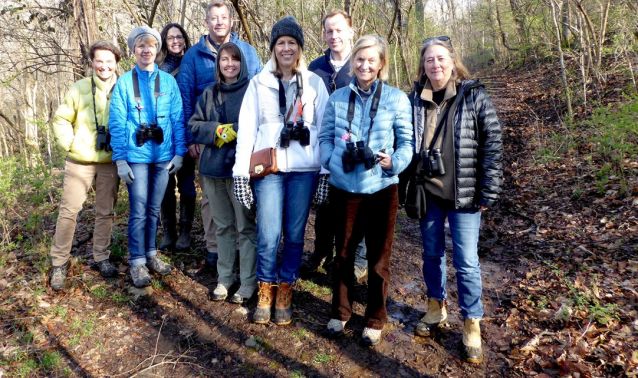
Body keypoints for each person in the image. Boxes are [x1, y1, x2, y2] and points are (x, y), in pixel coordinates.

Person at [408, 36, 502, 363]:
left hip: (464, 193)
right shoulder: (415, 99)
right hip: (429, 192)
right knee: (431, 254)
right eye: (430, 60)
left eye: (441, 59)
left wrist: (488, 188)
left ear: (452, 61)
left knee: (466, 261)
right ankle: (435, 307)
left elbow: (492, 143)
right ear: (423, 65)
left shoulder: (473, 95)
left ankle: (471, 321)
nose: (435, 65)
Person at [233, 16, 329, 325]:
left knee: (295, 233)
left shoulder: (314, 83)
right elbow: (247, 129)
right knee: (268, 232)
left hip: (304, 168)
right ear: (273, 48)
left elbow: (326, 128)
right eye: (280, 43)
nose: (286, 48)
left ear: (300, 47)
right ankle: (265, 286)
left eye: (292, 43)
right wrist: (240, 173)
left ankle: (286, 286)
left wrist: (325, 172)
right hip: (269, 168)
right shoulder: (258, 83)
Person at [318, 35, 413, 346]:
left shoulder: (397, 99)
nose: (364, 65)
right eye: (359, 59)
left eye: (371, 60)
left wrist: (392, 162)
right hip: (344, 186)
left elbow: (407, 144)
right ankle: (340, 310)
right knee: (343, 253)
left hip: (382, 187)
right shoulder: (337, 98)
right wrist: (334, 160)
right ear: (352, 61)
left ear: (381, 63)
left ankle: (375, 316)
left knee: (378, 257)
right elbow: (324, 139)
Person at [177, 0, 261, 266]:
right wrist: (192, 138)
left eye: (223, 17)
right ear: (207, 22)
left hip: (243, 142)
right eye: (213, 18)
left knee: (243, 194)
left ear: (231, 20)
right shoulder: (193, 56)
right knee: (211, 201)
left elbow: (260, 93)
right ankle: (215, 248)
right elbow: (185, 97)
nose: (219, 22)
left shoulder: (247, 51)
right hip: (209, 142)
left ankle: (242, 249)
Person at [109, 26, 187, 288]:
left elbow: (177, 118)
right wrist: (120, 159)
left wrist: (179, 152)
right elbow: (118, 123)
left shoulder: (168, 82)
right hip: (137, 156)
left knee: (154, 208)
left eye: (151, 46)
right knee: (139, 210)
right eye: (141, 46)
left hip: (163, 157)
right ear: (133, 50)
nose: (146, 50)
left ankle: (151, 254)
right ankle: (137, 261)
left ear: (157, 49)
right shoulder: (124, 83)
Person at [49, 41, 123, 290]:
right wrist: (70, 144)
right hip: (79, 160)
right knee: (69, 211)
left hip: (110, 161)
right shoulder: (80, 88)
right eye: (99, 61)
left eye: (109, 61)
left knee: (106, 212)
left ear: (116, 63)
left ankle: (101, 256)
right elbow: (60, 118)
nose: (104, 66)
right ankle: (59, 262)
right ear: (92, 62)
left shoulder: (124, 87)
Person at [304, 10, 368, 282]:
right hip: (323, 145)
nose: (334, 36)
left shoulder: (362, 63)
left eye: (339, 30)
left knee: (358, 204)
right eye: (329, 31)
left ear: (350, 31)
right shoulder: (315, 67)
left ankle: (359, 259)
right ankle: (321, 251)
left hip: (355, 148)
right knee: (324, 204)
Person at [189, 42, 256, 304]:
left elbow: (261, 122)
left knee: (246, 226)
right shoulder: (209, 92)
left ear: (242, 62)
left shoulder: (253, 89)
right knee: (223, 226)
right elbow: (194, 125)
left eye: (234, 59)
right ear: (218, 64)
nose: (229, 64)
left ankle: (248, 282)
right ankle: (225, 278)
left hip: (241, 170)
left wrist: (236, 129)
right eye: (224, 59)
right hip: (213, 170)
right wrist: (216, 130)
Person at [156, 23, 196, 251]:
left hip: (187, 130)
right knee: (166, 185)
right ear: (164, 40)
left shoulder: (191, 63)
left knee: (188, 185)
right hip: (164, 137)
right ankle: (169, 231)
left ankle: (186, 231)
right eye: (170, 37)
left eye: (179, 36)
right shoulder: (158, 68)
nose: (175, 41)